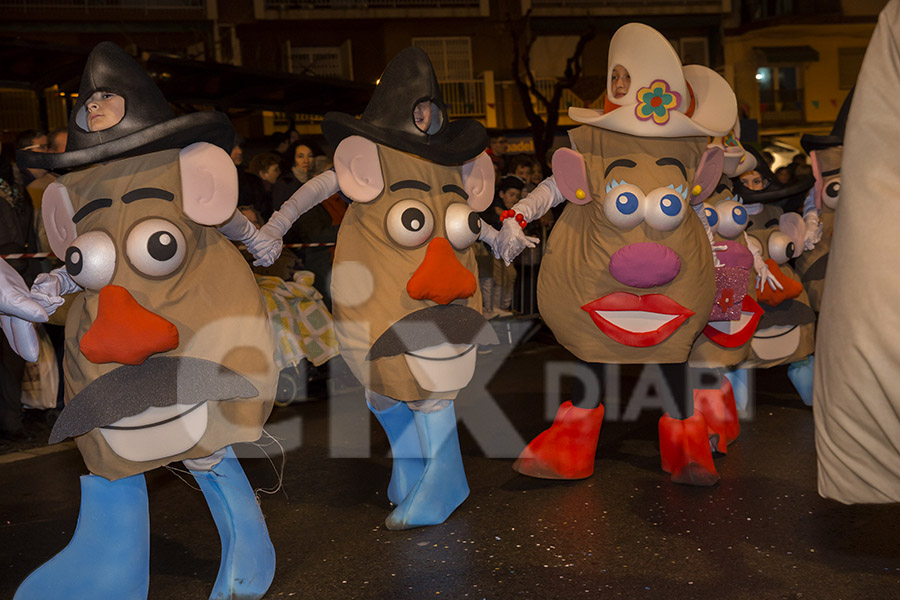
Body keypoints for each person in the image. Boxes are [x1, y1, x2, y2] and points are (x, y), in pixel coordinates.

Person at [245, 151, 281, 219]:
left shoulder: (269, 190)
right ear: (263, 174)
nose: (279, 172)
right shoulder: (259, 193)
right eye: (275, 170)